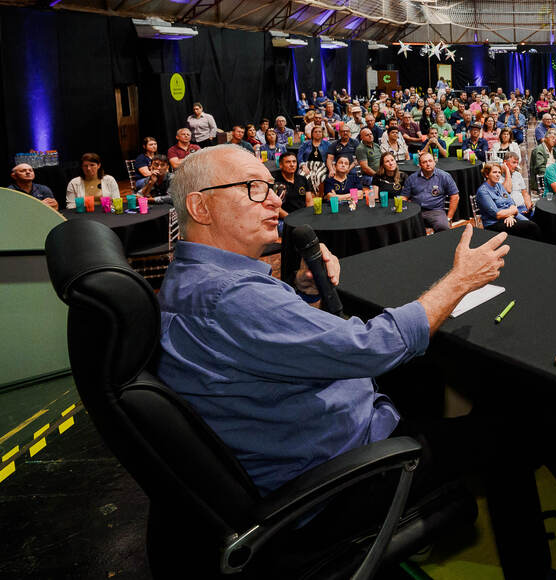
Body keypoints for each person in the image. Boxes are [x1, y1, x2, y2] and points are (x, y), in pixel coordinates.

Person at [154, 145, 517, 540]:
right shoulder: (229, 295)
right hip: (340, 476)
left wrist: (304, 295)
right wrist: (461, 279)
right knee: (507, 430)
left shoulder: (190, 280)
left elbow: (271, 345)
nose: (275, 198)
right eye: (254, 188)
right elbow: (373, 347)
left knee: (426, 374)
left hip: (303, 439)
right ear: (200, 208)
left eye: (270, 186)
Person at [475, 162, 541, 239]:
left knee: (535, 223)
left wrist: (510, 215)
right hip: (494, 224)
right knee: (531, 227)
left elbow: (511, 202)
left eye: (499, 172)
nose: (498, 175)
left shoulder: (499, 185)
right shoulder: (483, 192)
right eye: (494, 172)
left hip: (508, 217)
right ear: (487, 175)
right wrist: (512, 212)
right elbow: (497, 214)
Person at [402, 152, 459, 233]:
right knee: (405, 228)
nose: (428, 164)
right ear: (420, 165)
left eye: (430, 161)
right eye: (424, 162)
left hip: (436, 211)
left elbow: (455, 196)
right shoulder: (412, 178)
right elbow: (404, 197)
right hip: (415, 211)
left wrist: (449, 217)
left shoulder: (444, 176)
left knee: (443, 227)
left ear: (434, 162)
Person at [271, 152, 311, 216]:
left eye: (294, 162)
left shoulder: (302, 179)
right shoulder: (274, 181)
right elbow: (275, 207)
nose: (292, 164)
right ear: (280, 165)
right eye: (288, 162)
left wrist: (309, 215)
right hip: (285, 218)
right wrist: (290, 219)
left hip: (303, 216)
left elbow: (309, 201)